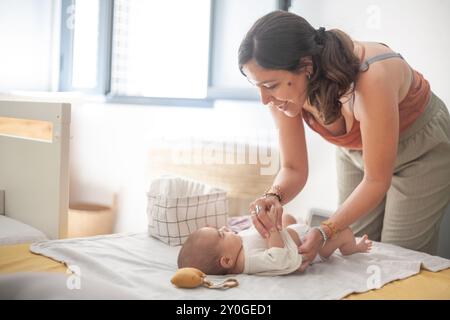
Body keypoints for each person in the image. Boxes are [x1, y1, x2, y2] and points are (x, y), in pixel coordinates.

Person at [238, 10, 450, 269]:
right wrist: (274, 196)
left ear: (306, 66)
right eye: (257, 86)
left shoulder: (372, 78)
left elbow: (376, 180)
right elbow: (293, 168)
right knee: (353, 253)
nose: (264, 99)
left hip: (421, 148)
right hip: (355, 150)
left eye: (270, 86)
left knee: (397, 259)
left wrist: (325, 230)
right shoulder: (283, 91)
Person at [177, 211, 372, 275]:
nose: (226, 230)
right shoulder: (249, 261)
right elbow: (278, 258)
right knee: (344, 231)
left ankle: (300, 224)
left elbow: (254, 235)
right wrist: (271, 228)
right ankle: (352, 248)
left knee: (287, 217)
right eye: (221, 235)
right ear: (227, 261)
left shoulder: (236, 249)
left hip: (293, 235)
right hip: (311, 249)